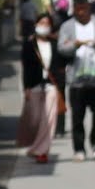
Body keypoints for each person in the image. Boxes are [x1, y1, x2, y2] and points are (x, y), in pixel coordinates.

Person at [65, 10, 95, 161]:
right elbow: (61, 48)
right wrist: (74, 46)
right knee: (77, 116)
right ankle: (79, 148)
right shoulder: (67, 26)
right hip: (76, 82)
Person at [19, 12, 62, 164]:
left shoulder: (55, 44)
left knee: (49, 119)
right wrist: (26, 87)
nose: (44, 26)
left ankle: (42, 151)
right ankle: (35, 147)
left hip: (51, 85)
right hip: (35, 85)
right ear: (36, 24)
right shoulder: (29, 44)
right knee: (36, 118)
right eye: (41, 23)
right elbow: (26, 67)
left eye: (47, 23)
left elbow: (60, 64)